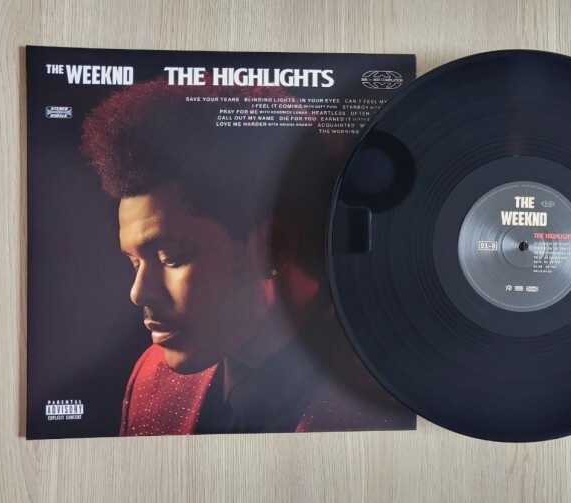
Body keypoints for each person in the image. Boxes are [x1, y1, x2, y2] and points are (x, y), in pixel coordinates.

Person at [81, 80, 414, 435]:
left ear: (273, 248)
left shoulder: (395, 395)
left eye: (170, 257)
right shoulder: (152, 378)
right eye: (134, 262)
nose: (138, 293)